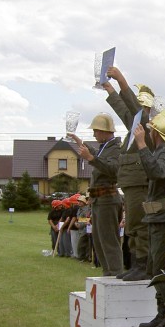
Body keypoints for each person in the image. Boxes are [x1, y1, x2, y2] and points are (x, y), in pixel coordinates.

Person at [134, 110, 165, 327]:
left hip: (164, 218)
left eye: (151, 131)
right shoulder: (164, 151)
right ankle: (162, 313)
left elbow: (156, 171)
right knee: (157, 268)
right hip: (157, 218)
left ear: (156, 134)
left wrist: (142, 145)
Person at [102, 67, 153, 281]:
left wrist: (122, 81)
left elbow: (132, 109)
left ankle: (142, 264)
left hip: (140, 185)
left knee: (139, 225)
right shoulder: (135, 128)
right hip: (132, 185)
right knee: (133, 225)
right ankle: (135, 263)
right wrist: (110, 90)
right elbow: (125, 111)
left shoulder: (147, 127)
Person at [69, 113, 123, 276]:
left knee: (108, 239)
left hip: (108, 198)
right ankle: (108, 271)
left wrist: (91, 158)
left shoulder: (116, 149)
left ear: (106, 131)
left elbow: (113, 169)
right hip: (100, 199)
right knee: (99, 240)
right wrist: (80, 143)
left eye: (96, 131)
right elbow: (98, 156)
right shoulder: (105, 147)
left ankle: (114, 272)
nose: (94, 134)